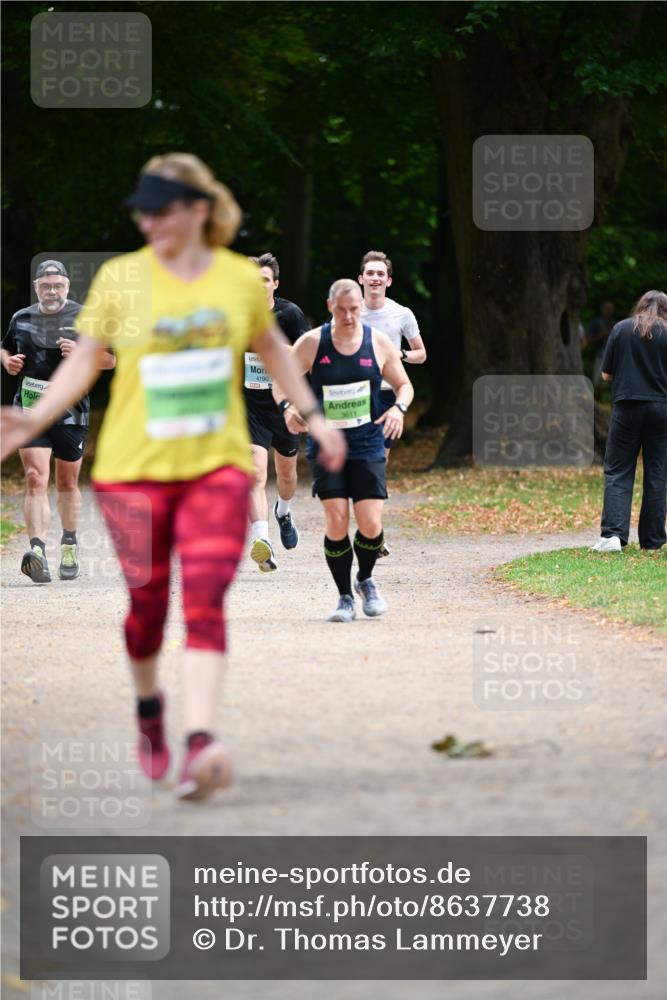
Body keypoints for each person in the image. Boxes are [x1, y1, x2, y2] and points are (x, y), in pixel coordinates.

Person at [1, 153, 345, 801]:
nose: (149, 219)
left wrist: (316, 415)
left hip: (213, 462)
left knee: (205, 600)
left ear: (198, 210)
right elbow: (88, 359)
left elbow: (273, 351)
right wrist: (34, 415)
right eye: (144, 209)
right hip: (135, 467)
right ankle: (151, 712)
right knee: (147, 611)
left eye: (163, 207)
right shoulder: (120, 278)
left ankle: (199, 740)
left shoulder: (237, 282)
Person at [274, 279, 413, 622]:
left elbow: (404, 385)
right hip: (327, 444)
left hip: (367, 442)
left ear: (361, 309)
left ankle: (365, 578)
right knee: (336, 519)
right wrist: (289, 406)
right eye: (342, 310)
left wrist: (398, 409)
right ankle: (344, 597)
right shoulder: (312, 343)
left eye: (355, 309)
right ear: (329, 307)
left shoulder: (377, 343)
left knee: (370, 523)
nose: (349, 316)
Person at [1, 260, 116, 583]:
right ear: (37, 287)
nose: (52, 290)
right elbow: (4, 349)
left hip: (71, 411)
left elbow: (110, 359)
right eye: (46, 285)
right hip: (31, 408)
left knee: (66, 483)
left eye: (58, 285)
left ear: (67, 287)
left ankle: (69, 541)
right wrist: (8, 362)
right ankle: (37, 551)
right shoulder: (21, 318)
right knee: (36, 477)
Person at [358, 250, 426, 557]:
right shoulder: (348, 312)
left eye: (379, 274)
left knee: (376, 462)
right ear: (361, 279)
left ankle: (372, 531)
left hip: (387, 395)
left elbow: (421, 354)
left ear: (388, 281)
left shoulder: (402, 314)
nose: (374, 278)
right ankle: (370, 529)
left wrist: (397, 357)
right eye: (369, 273)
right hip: (354, 394)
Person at [245, 253, 310, 572]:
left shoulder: (289, 314)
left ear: (275, 284)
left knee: (287, 474)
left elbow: (307, 356)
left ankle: (283, 511)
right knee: (254, 473)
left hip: (284, 405)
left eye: (264, 281)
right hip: (249, 406)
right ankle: (262, 541)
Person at [591, 290, 667, 552]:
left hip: (626, 406)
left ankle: (613, 535)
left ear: (641, 306)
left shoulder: (621, 329)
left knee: (619, 469)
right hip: (662, 409)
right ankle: (653, 541)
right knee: (658, 472)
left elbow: (605, 374)